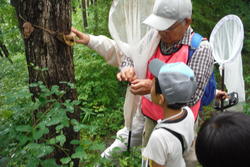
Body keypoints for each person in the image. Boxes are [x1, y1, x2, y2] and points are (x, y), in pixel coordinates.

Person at [69, 0, 214, 164]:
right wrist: (128, 67)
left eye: (168, 28)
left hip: (178, 125)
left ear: (186, 22)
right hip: (149, 118)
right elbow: (130, 54)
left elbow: (192, 95)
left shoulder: (200, 49)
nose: (161, 32)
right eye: (159, 26)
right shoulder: (155, 35)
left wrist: (152, 86)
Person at [141, 60, 196, 167]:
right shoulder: (188, 113)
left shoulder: (159, 138)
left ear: (161, 98)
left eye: (152, 84)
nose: (151, 85)